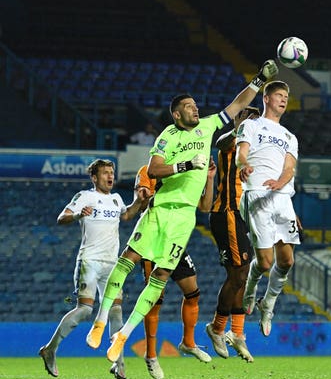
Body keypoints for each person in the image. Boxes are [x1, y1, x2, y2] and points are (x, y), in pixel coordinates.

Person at [84, 59, 279, 362]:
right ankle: (100, 320)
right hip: (160, 209)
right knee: (128, 260)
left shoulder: (207, 126)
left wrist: (258, 80)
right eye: (188, 107)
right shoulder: (168, 135)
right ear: (177, 115)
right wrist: (187, 164)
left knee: (161, 275)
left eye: (195, 105)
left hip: (185, 217)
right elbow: (154, 168)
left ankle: (122, 336)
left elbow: (237, 104)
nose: (195, 109)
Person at [38, 159, 148, 379]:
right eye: (105, 173)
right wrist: (78, 215)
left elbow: (126, 215)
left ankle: (119, 363)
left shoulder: (116, 200)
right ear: (95, 177)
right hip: (89, 260)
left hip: (112, 264)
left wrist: (139, 201)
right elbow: (62, 217)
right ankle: (50, 349)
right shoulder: (85, 196)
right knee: (86, 310)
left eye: (112, 173)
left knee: (116, 310)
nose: (110, 176)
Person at [134, 162, 215, 379]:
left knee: (193, 293)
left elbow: (205, 207)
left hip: (176, 241)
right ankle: (150, 355)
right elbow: (142, 205)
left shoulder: (188, 173)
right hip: (154, 240)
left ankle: (188, 342)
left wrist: (208, 177)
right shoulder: (148, 171)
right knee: (155, 299)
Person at [237, 80, 301, 337]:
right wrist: (244, 165)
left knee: (286, 261)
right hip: (257, 194)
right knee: (265, 263)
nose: (284, 100)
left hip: (282, 196)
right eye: (279, 95)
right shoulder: (250, 125)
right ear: (266, 98)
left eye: (286, 96)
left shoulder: (289, 136)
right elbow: (242, 153)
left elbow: (289, 168)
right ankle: (251, 288)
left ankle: (268, 305)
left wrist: (281, 182)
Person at [205, 106, 260, 362]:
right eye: (246, 118)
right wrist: (239, 128)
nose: (251, 123)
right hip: (226, 213)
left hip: (242, 217)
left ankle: (237, 332)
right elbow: (220, 140)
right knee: (238, 274)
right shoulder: (233, 142)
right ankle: (216, 328)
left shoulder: (254, 150)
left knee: (242, 275)